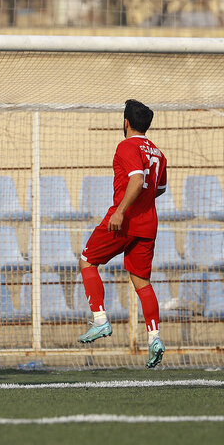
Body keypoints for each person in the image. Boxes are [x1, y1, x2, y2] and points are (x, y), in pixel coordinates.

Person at [78, 99, 167, 368]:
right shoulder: (158, 153)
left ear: (126, 122)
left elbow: (137, 180)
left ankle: (100, 320)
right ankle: (155, 338)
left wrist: (121, 211)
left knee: (86, 260)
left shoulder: (126, 145)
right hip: (148, 223)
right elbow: (158, 188)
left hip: (123, 220)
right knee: (142, 281)